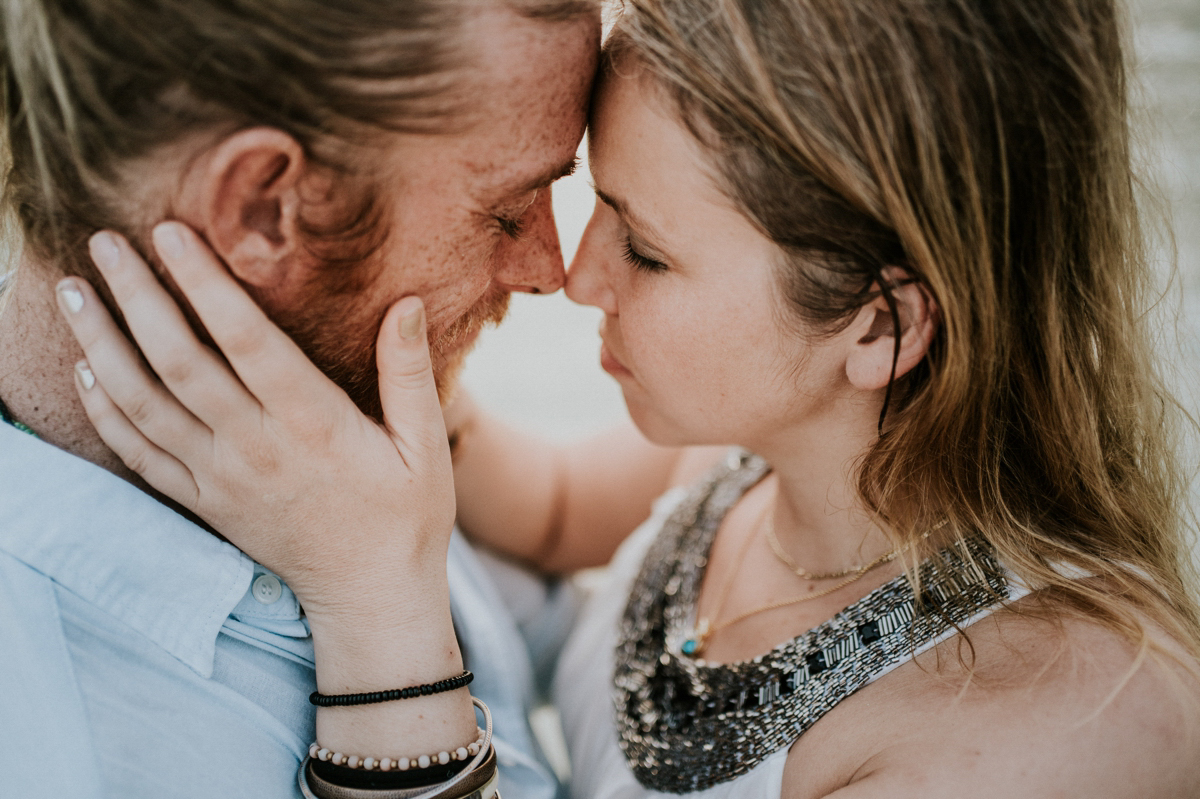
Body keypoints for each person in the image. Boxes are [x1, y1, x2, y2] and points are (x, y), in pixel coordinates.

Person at [49, 0, 1200, 796]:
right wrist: (350, 349)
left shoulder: (1044, 735)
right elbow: (544, 507)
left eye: (645, 251)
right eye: (580, 203)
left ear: (882, 322)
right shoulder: (737, 466)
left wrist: (376, 610)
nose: (572, 274)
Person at [0, 1, 605, 797]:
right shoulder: (67, 750)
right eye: (507, 210)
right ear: (261, 208)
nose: (549, 270)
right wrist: (382, 620)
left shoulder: (330, 402)